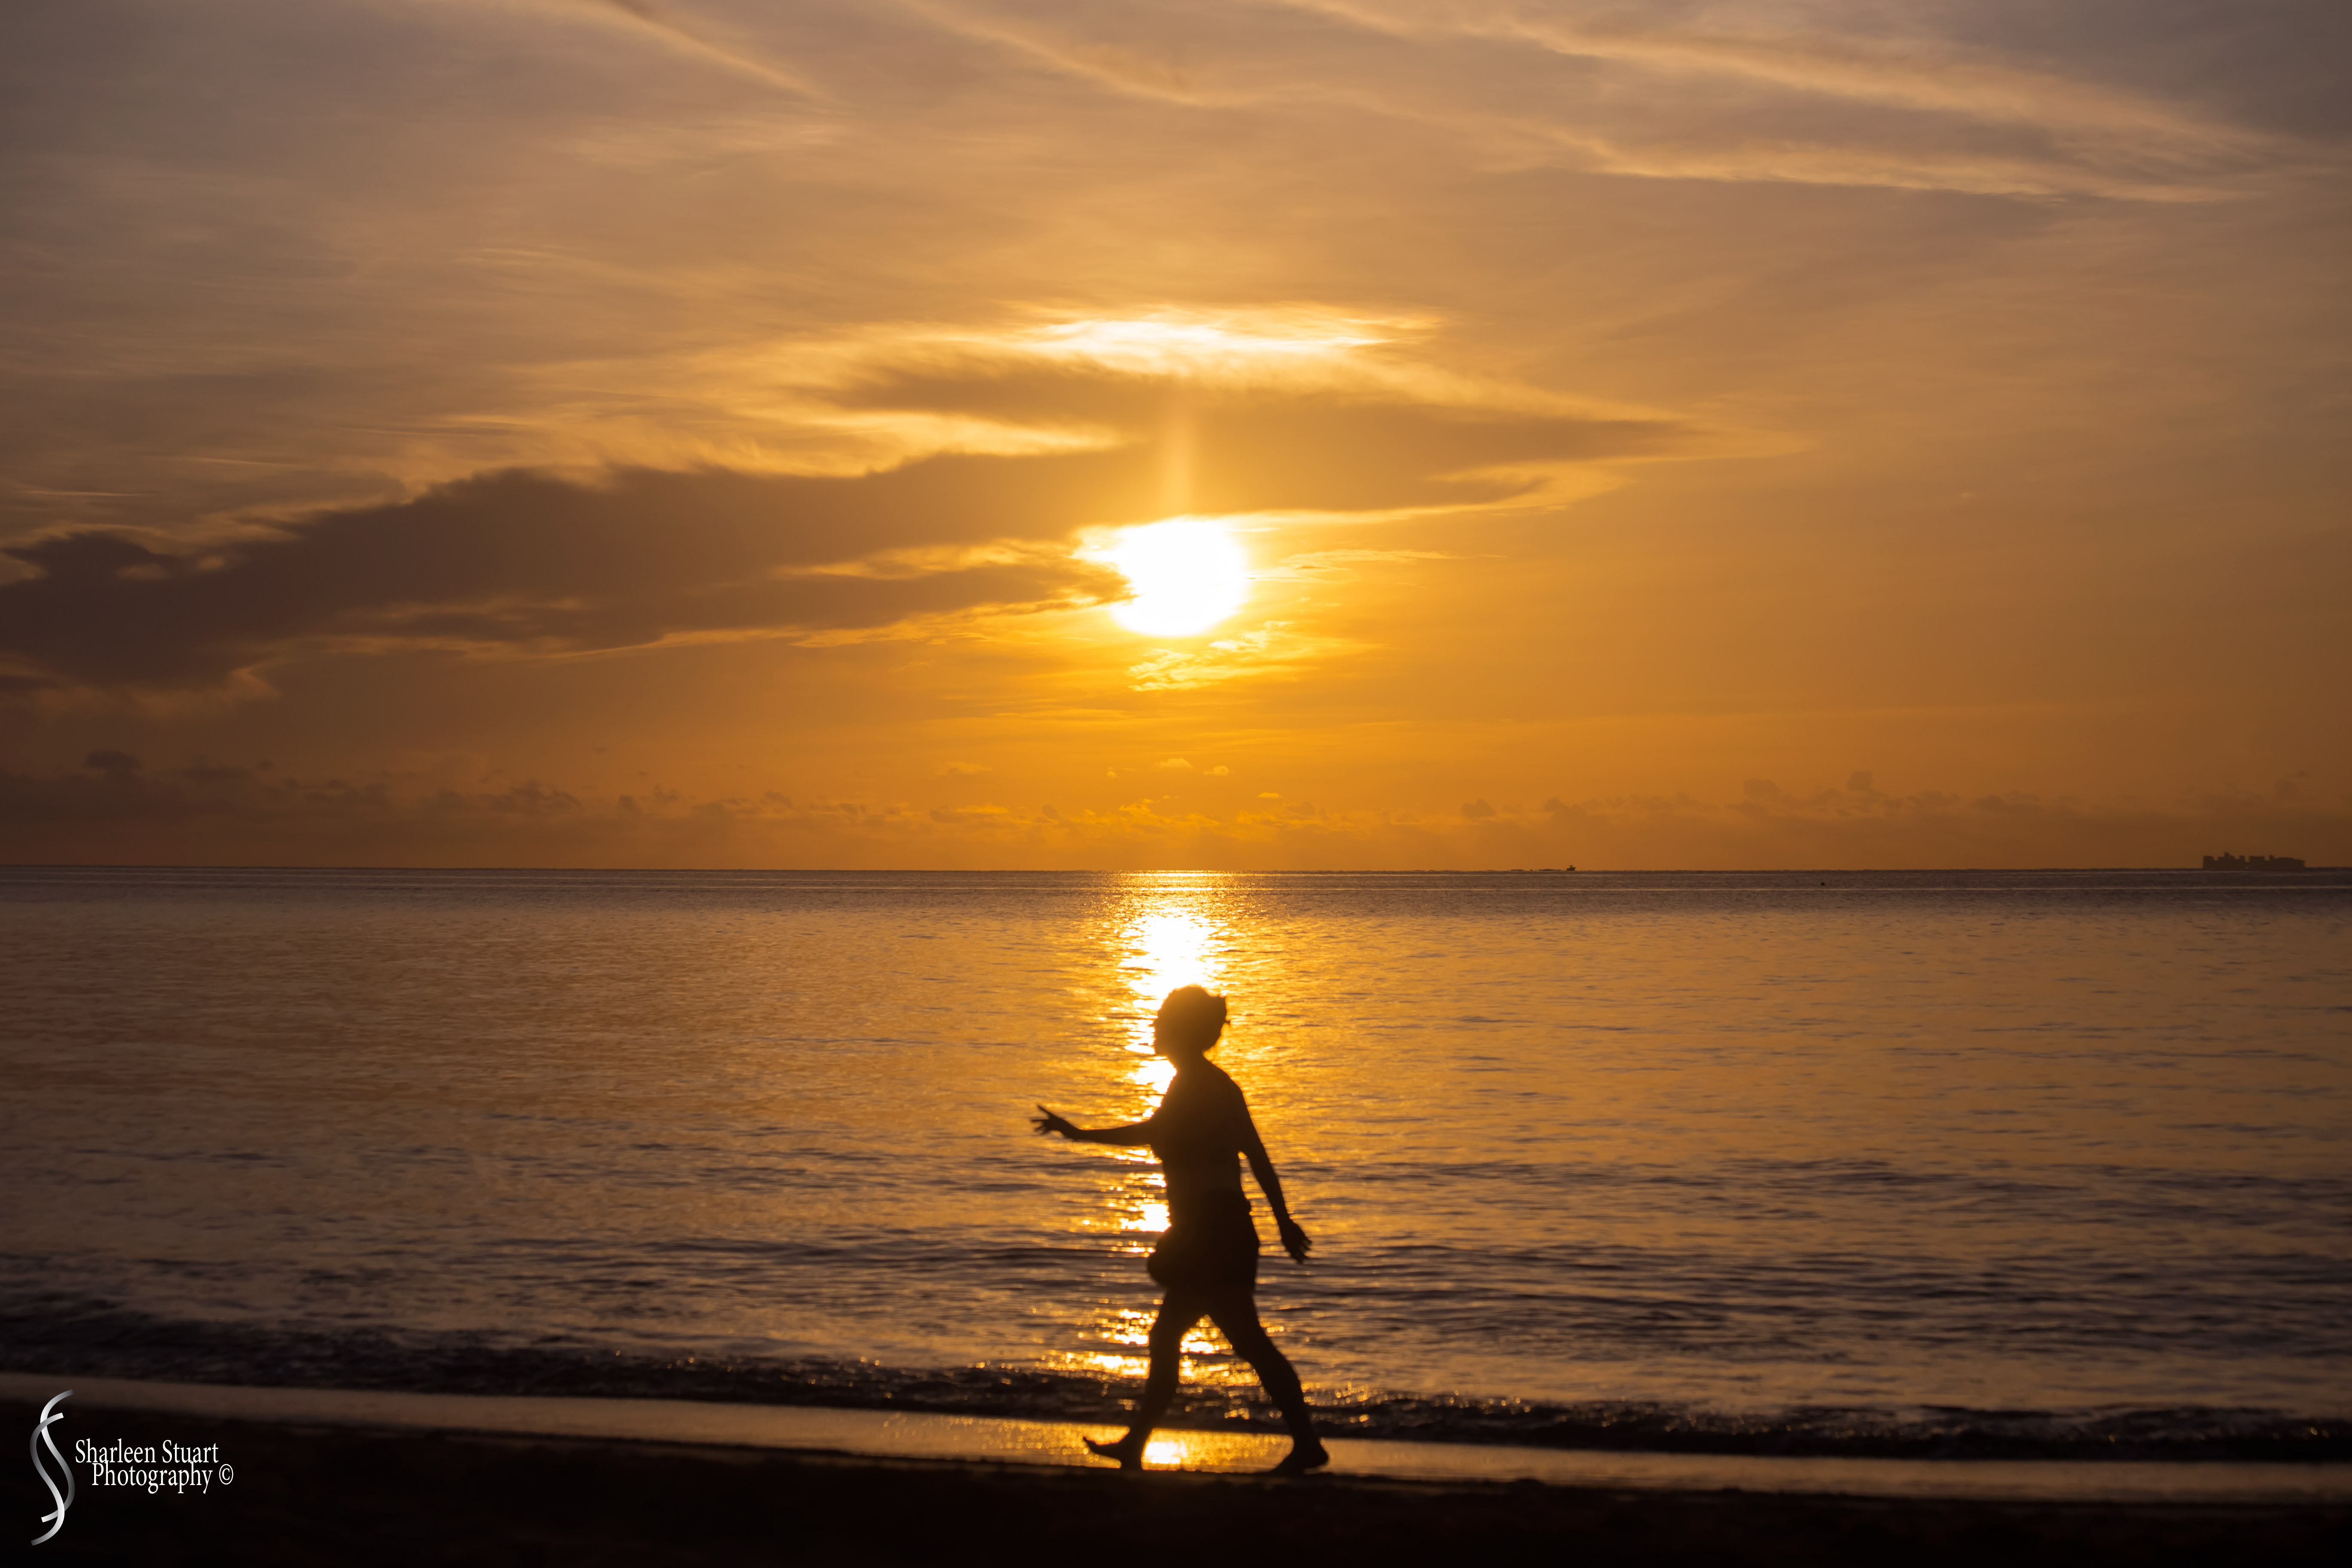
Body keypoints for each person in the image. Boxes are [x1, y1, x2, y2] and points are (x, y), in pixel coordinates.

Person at [1032, 984, 1329, 1476]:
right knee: (1177, 1336)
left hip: (1212, 1231)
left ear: (1179, 1030)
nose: (1154, 1027)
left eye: (1162, 1021)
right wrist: (1282, 1221)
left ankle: (1306, 1443)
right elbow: (1256, 1155)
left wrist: (1079, 1134)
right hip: (1217, 1228)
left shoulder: (1195, 1084)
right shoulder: (1218, 1084)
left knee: (1243, 1342)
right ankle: (1138, 1444)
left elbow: (1153, 1132)